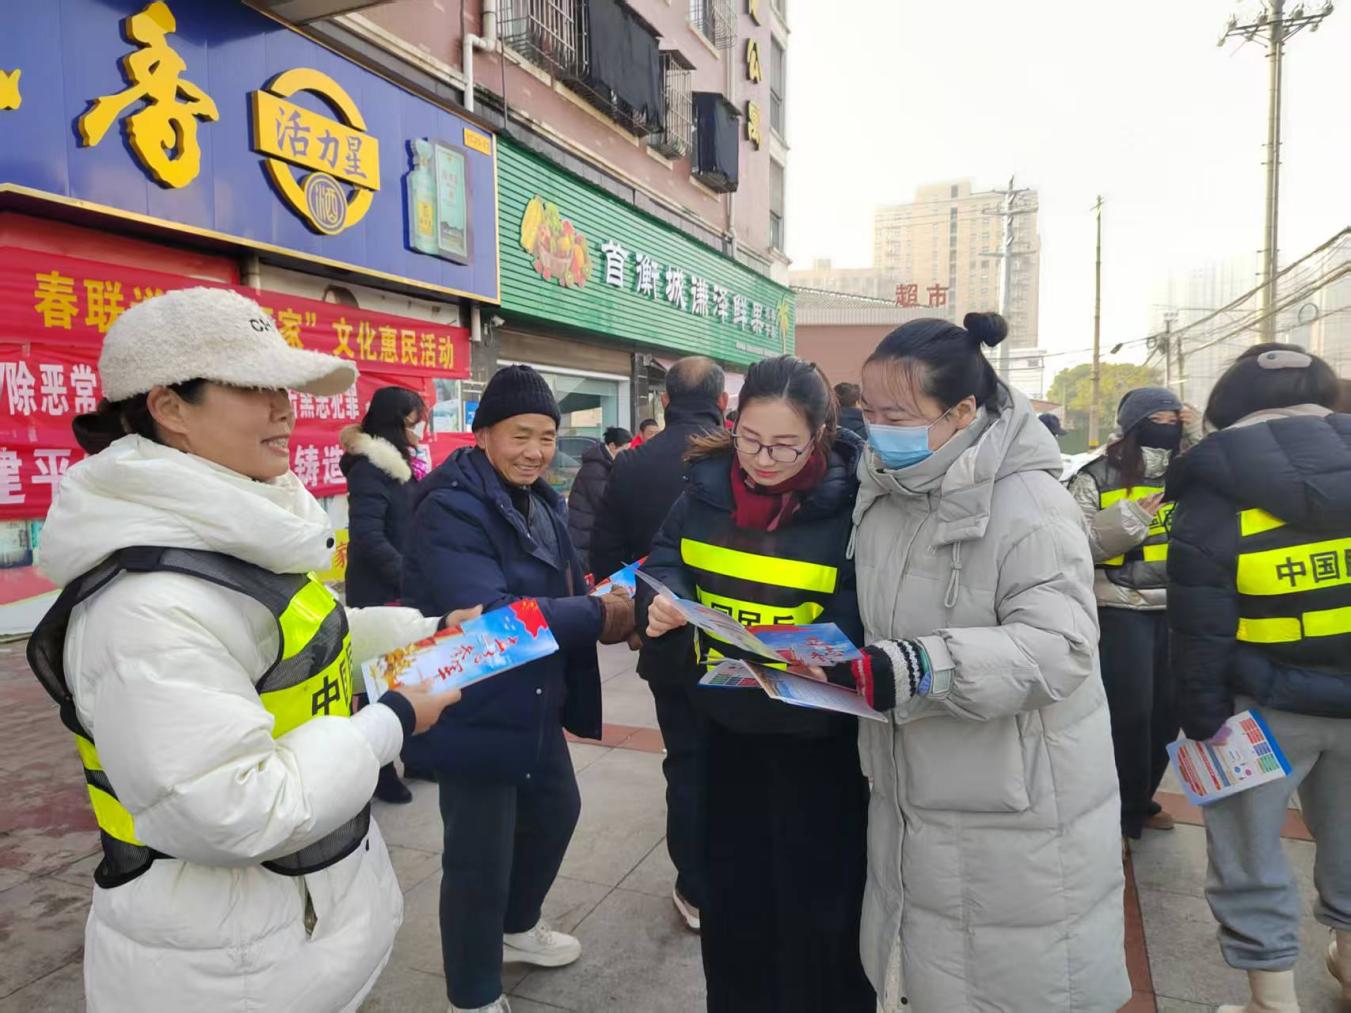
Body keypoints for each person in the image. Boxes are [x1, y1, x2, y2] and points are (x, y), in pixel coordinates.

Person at [25, 288, 468, 1013]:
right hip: (222, 973)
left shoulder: (239, 529)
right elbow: (231, 808)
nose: (283, 409)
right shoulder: (146, 607)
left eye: (284, 389)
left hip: (294, 936)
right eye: (255, 388)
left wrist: (433, 628)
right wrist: (392, 717)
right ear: (169, 408)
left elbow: (301, 635)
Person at [846, 313, 1129, 1011]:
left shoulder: (1030, 504)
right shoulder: (884, 491)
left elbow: (1061, 646)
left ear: (963, 411)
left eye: (896, 415)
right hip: (911, 785)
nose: (876, 428)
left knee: (1008, 980)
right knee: (924, 969)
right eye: (867, 410)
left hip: (1014, 805)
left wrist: (919, 665)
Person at [637, 356, 874, 1012]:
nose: (763, 459)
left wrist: (820, 651)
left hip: (816, 738)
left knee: (816, 906)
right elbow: (664, 559)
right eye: (750, 439)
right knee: (733, 898)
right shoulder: (703, 488)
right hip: (723, 726)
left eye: (784, 445)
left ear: (820, 435)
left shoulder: (856, 505)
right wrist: (664, 602)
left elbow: (867, 603)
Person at [401, 364, 637, 1013]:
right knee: (477, 855)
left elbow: (560, 583)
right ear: (482, 435)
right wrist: (601, 614)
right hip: (472, 700)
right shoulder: (451, 506)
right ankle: (473, 991)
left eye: (546, 437)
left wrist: (611, 595)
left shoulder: (540, 499)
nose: (535, 451)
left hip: (533, 695)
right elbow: (490, 620)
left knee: (556, 813)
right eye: (520, 435)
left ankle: (515, 924)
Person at [1166, 344, 1351, 1013]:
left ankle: (1272, 1003)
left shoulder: (1216, 481)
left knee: (1247, 854)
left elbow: (1200, 621)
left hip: (1261, 708)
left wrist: (1200, 717)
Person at [591, 355, 728, 932]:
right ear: (723, 403)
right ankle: (736, 876)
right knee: (739, 762)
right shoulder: (738, 457)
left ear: (664, 402)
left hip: (665, 642)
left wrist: (633, 621)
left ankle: (693, 887)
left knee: (687, 762)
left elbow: (605, 553)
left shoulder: (632, 461)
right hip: (738, 644)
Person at [1067, 387, 1193, 843]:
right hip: (1121, 608)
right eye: (1158, 419)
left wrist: (1201, 434)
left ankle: (1139, 799)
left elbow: (1236, 478)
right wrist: (1127, 522)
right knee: (1129, 715)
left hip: (1178, 608)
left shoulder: (1192, 471)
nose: (1168, 427)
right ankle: (1115, 817)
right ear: (1135, 425)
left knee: (1168, 714)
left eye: (1175, 419)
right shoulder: (1096, 475)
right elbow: (1072, 543)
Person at [340, 385, 432, 804]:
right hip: (380, 589)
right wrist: (406, 576)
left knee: (410, 672)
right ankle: (379, 770)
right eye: (415, 419)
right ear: (397, 421)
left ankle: (416, 755)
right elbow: (368, 537)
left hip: (404, 585)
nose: (421, 428)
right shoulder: (369, 468)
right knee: (378, 681)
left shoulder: (401, 465)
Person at [566, 425, 632, 576]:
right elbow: (605, 501)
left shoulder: (605, 464)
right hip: (585, 533)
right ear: (612, 446)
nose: (627, 455)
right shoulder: (595, 469)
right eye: (625, 450)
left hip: (590, 532)